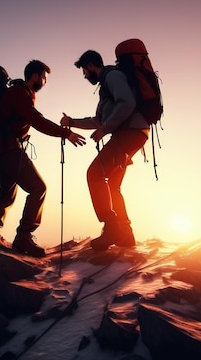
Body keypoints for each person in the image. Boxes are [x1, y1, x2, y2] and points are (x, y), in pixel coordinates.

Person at [0, 59, 86, 257]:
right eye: (44, 77)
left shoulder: (18, 93)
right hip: (7, 149)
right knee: (38, 188)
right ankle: (23, 237)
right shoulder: (19, 94)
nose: (45, 82)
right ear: (35, 76)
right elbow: (38, 122)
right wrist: (66, 134)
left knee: (7, 193)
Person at [61, 49, 149, 251]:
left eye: (84, 71)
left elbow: (127, 103)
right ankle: (125, 234)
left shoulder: (112, 76)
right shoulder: (106, 85)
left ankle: (112, 228)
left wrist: (105, 129)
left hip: (129, 134)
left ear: (91, 66)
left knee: (94, 174)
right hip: (134, 134)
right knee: (113, 184)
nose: (84, 76)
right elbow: (99, 120)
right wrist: (72, 122)